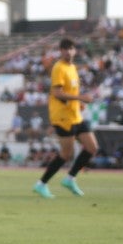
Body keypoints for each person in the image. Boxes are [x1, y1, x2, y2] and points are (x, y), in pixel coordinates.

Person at [33, 38, 99, 198]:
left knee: (92, 147)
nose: (68, 51)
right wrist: (81, 98)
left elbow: (72, 91)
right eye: (65, 49)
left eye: (71, 48)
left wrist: (79, 103)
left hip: (75, 115)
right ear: (60, 51)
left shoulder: (73, 67)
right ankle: (41, 184)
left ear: (74, 50)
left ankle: (70, 179)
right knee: (66, 154)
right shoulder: (59, 67)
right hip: (62, 116)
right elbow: (57, 92)